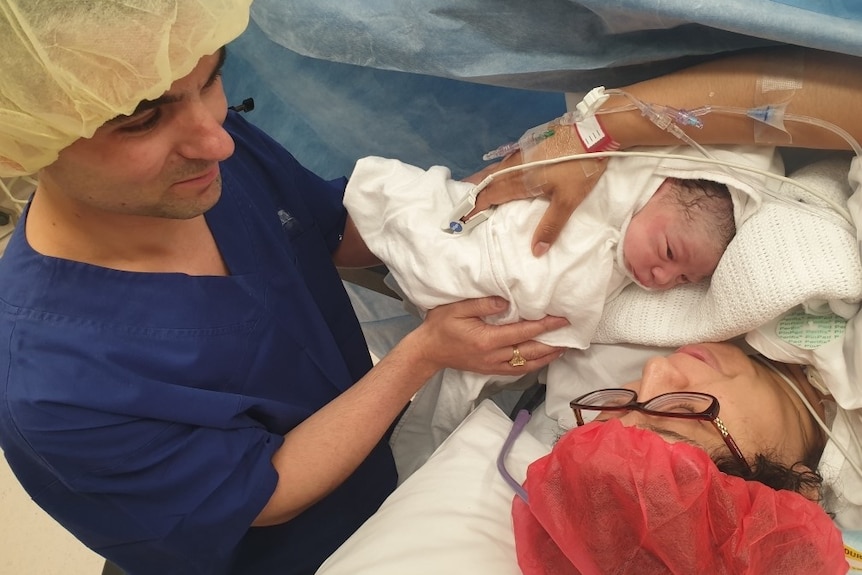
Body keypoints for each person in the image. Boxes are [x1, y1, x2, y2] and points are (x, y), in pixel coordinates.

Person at [0, 3, 569, 575]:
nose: (217, 142)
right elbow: (264, 492)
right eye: (142, 121)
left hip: (388, 478)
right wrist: (419, 357)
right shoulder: (51, 385)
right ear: (17, 147)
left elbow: (327, 228)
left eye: (212, 77)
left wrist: (499, 184)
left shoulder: (202, 153)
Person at [345, 143, 779, 445]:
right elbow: (604, 133)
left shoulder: (632, 275)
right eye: (668, 253)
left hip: (494, 333)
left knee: (443, 411)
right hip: (474, 259)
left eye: (684, 279)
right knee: (400, 220)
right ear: (656, 190)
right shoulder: (610, 185)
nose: (663, 278)